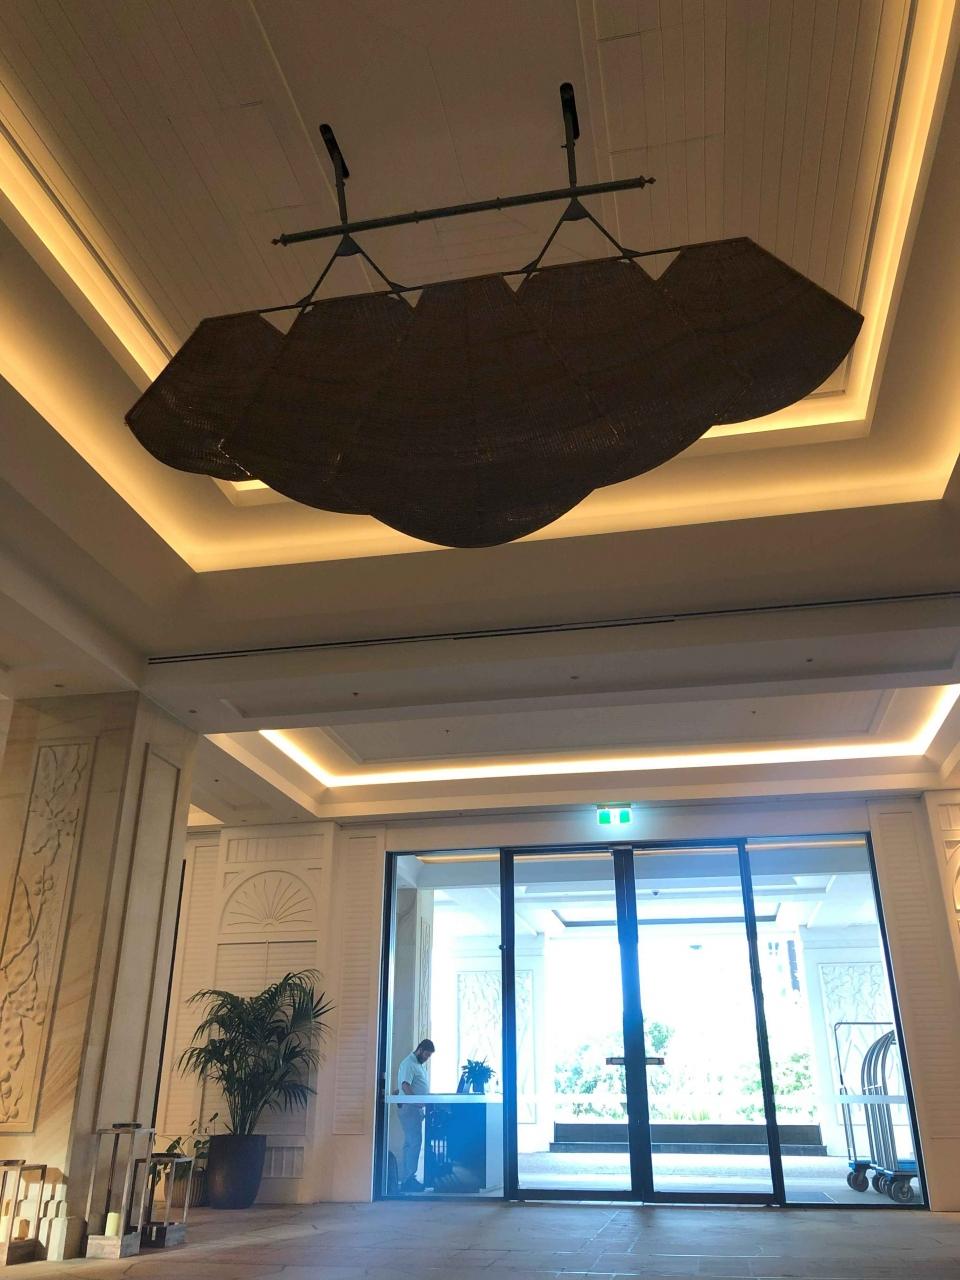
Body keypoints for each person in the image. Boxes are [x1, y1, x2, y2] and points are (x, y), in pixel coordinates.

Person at [396, 1038, 435, 1192]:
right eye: (426, 1055)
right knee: (414, 1142)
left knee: (410, 1143)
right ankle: (409, 1179)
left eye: (429, 1056)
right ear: (420, 1050)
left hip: (413, 1108)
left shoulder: (418, 1064)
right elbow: (405, 1085)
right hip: (410, 1108)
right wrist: (418, 1103)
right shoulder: (409, 1063)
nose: (427, 1058)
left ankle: (407, 1177)